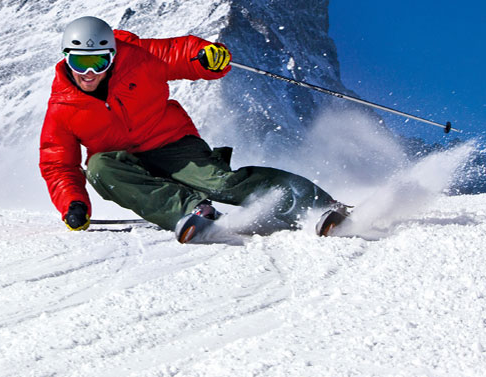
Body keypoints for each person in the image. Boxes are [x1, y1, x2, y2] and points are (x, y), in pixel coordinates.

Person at [39, 16, 350, 242]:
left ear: (113, 56)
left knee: (221, 183)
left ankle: (317, 205)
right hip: (123, 163)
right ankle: (193, 212)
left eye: (99, 62)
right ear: (66, 60)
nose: (90, 73)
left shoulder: (137, 59)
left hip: (171, 144)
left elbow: (177, 52)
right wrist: (73, 204)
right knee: (99, 167)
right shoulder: (63, 108)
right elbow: (58, 163)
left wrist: (205, 57)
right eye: (80, 63)